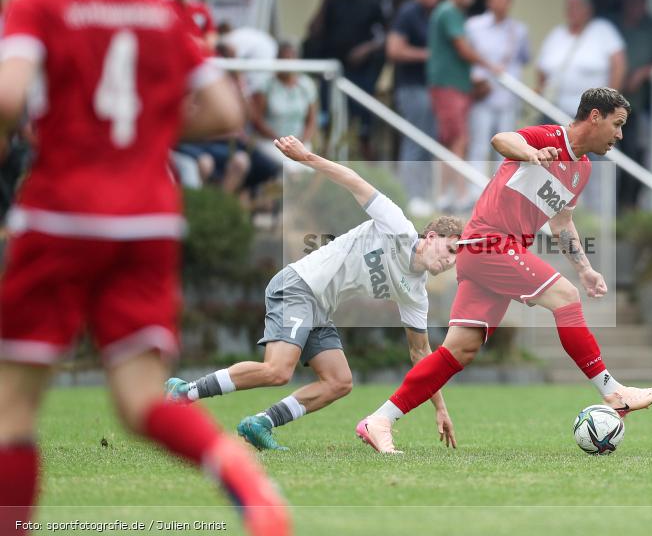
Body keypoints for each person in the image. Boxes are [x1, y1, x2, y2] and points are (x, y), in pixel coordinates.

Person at [0, 0, 290, 536]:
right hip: (147, 220)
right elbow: (225, 108)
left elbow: (9, 97)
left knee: (12, 408)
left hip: (63, 216)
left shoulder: (42, 4)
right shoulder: (158, 12)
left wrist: (62, 120)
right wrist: (148, 127)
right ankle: (238, 471)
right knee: (139, 402)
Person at [355, 88, 652, 454]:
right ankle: (613, 392)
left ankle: (379, 420)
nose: (620, 135)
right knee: (564, 298)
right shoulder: (550, 137)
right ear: (594, 117)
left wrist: (585, 269)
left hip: (493, 254)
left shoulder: (581, 170)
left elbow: (562, 223)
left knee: (460, 350)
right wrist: (533, 155)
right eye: (617, 124)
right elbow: (502, 139)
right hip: (490, 243)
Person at [166, 136, 463, 452]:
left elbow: (421, 355)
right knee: (277, 370)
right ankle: (186, 392)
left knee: (339, 381)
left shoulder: (416, 293)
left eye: (456, 258)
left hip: (319, 305)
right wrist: (306, 157)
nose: (450, 261)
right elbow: (354, 181)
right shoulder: (398, 227)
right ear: (431, 237)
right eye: (450, 249)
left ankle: (260, 423)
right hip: (298, 285)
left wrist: (440, 407)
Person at [428, 0, 497, 210]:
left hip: (456, 85)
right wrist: (490, 66)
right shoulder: (448, 11)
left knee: (453, 140)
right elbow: (462, 49)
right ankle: (457, 194)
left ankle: (447, 194)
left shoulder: (455, 13)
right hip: (448, 86)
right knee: (457, 139)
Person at [308, 0, 385, 158]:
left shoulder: (373, 1)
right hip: (334, 70)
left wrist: (365, 49)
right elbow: (314, 31)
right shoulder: (333, 0)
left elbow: (383, 37)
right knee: (330, 117)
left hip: (362, 71)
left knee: (364, 121)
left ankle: (366, 158)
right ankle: (328, 154)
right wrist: (323, 1)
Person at [388, 0, 444, 215]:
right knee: (415, 140)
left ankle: (424, 196)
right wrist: (429, 56)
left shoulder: (439, 13)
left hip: (433, 88)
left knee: (428, 141)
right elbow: (394, 50)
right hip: (412, 87)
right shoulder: (409, 12)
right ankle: (410, 195)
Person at [465, 0, 530, 182]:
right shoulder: (474, 26)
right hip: (483, 96)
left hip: (507, 99)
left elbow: (524, 58)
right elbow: (467, 57)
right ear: (489, 0)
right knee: (479, 146)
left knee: (506, 150)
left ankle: (500, 190)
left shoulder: (518, 30)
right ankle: (475, 190)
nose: (500, 4)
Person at [615, 0, 652, 211]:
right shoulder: (614, 26)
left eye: (639, 3)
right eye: (631, 2)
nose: (635, 7)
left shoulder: (651, 30)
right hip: (610, 105)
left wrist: (641, 73)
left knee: (635, 155)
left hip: (637, 107)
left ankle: (629, 203)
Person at [537, 0, 626, 117]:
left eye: (576, 7)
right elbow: (541, 69)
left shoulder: (603, 30)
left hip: (591, 113)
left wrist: (610, 103)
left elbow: (619, 66)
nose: (572, 11)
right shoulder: (556, 34)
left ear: (588, 9)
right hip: (554, 111)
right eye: (569, 7)